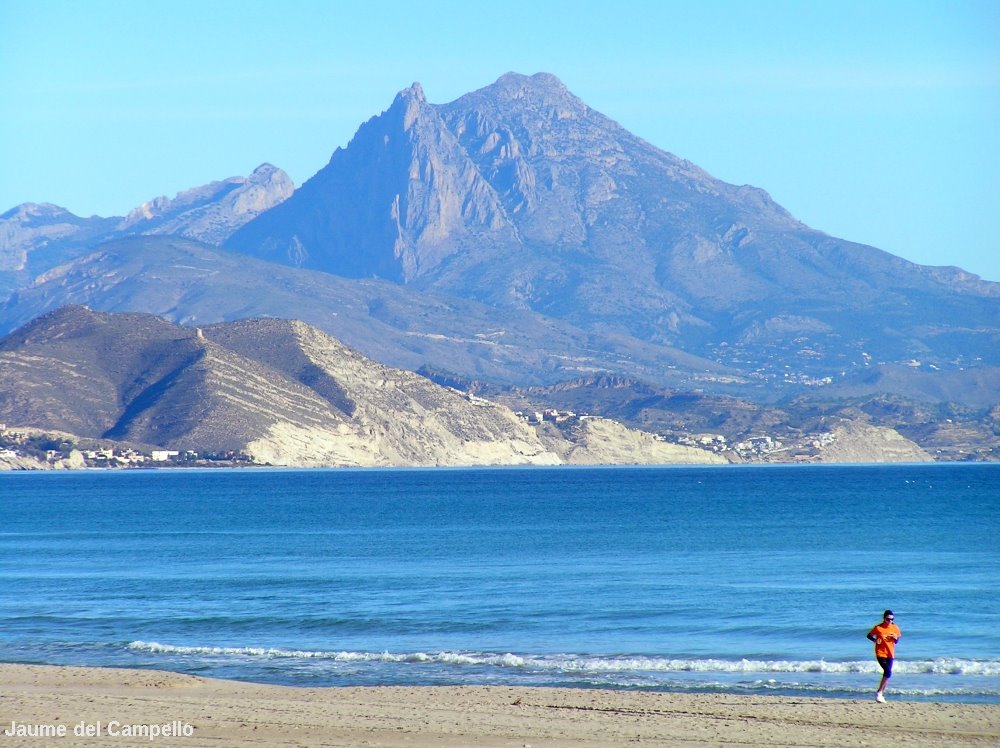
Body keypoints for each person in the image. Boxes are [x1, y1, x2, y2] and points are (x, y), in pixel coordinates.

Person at [867, 609, 901, 702]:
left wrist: (895, 638)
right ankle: (879, 693)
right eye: (888, 619)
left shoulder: (895, 628)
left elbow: (897, 641)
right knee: (888, 672)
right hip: (880, 653)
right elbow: (869, 635)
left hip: (890, 653)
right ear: (884, 618)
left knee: (887, 674)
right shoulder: (878, 628)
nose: (890, 621)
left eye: (892, 619)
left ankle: (881, 694)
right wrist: (875, 640)